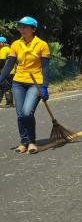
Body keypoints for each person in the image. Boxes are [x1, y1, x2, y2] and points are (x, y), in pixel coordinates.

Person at [0, 17, 50, 154]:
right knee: (20, 114)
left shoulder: (42, 45)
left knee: (27, 112)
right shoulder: (16, 44)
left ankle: (32, 141)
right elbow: (9, 64)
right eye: (20, 27)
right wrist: (0, 78)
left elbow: (45, 67)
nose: (21, 29)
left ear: (33, 29)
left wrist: (45, 86)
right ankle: (24, 142)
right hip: (18, 82)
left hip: (35, 83)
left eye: (25, 27)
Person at [0, 36, 15, 108]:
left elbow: (1, 62)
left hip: (6, 72)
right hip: (12, 71)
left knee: (4, 87)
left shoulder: (4, 49)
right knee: (8, 87)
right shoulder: (9, 48)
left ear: (3, 43)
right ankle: (10, 103)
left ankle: (9, 103)